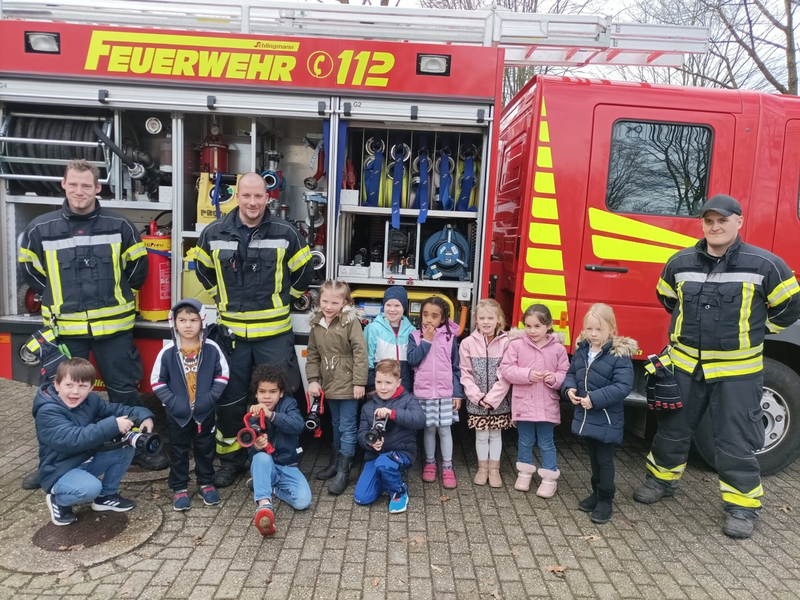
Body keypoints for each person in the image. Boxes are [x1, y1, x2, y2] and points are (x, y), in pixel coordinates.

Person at [633, 194, 800, 539]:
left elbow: (790, 307)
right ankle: (660, 481)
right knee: (672, 430)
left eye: (723, 220)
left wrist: (757, 330)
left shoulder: (765, 264)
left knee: (734, 440)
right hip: (684, 367)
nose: (715, 226)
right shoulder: (679, 262)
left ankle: (742, 506)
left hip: (737, 373)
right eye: (709, 221)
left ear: (739, 221)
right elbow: (668, 298)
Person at [18, 158, 166, 486]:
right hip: (66, 331)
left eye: (87, 185)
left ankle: (136, 447)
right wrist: (55, 294)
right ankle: (52, 465)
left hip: (114, 328)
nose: (80, 191)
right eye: (74, 184)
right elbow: (29, 271)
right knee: (59, 395)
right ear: (64, 185)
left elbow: (137, 269)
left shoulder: (120, 225)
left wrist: (119, 294)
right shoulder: (40, 228)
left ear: (98, 188)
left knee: (124, 390)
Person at [194, 172, 312, 487]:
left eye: (259, 196)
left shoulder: (286, 232)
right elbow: (202, 269)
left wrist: (287, 299)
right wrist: (220, 297)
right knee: (230, 401)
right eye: (246, 196)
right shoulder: (213, 233)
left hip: (273, 336)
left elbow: (305, 272)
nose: (253, 202)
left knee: (278, 400)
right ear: (237, 197)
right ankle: (231, 461)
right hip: (232, 338)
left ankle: (278, 457)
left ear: (268, 197)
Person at [34, 358, 155, 526]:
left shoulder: (91, 400)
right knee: (90, 488)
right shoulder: (48, 411)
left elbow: (118, 409)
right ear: (57, 385)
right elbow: (72, 440)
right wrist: (113, 425)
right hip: (59, 468)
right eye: (69, 385)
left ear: (91, 388)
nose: (75, 392)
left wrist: (144, 415)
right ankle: (58, 499)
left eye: (82, 386)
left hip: (85, 459)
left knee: (126, 448)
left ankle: (106, 497)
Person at [150, 299, 230, 511]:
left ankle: (206, 483)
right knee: (178, 450)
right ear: (174, 323)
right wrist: (174, 402)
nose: (188, 325)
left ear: (202, 321)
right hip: (178, 414)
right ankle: (179, 488)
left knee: (205, 449)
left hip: (204, 412)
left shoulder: (212, 349)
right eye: (182, 320)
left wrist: (209, 398)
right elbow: (157, 381)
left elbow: (222, 375)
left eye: (193, 320)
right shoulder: (167, 352)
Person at [564, 304, 637, 524]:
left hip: (606, 417)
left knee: (605, 459)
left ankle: (606, 498)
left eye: (598, 329)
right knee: (594, 457)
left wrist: (594, 399)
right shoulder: (582, 350)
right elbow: (570, 373)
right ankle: (596, 492)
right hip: (587, 416)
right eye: (589, 329)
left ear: (611, 329)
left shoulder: (618, 355)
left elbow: (623, 387)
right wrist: (569, 389)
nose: (593, 334)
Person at [499, 304, 569, 497]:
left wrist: (554, 379)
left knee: (546, 441)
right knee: (525, 440)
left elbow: (565, 373)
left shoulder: (557, 349)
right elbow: (506, 369)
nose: (532, 331)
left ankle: (549, 477)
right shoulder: (517, 345)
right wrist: (528, 374)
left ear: (549, 325)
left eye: (537, 326)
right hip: (525, 403)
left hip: (547, 404)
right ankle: (524, 472)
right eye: (528, 326)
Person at [306, 280, 368, 495]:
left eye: (335, 302)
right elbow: (313, 354)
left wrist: (359, 382)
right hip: (329, 382)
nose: (329, 306)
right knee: (335, 423)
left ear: (344, 302)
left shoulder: (350, 322)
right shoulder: (316, 324)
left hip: (349, 383)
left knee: (348, 426)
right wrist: (313, 379)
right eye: (325, 301)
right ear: (319, 300)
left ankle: (344, 471)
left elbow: (361, 352)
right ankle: (334, 463)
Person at [247, 364, 312, 536]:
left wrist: (270, 415)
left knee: (303, 502)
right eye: (262, 392)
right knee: (261, 458)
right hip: (265, 465)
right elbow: (249, 450)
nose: (267, 396)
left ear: (281, 393)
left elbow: (298, 426)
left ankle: (268, 488)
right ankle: (264, 505)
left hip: (287, 466)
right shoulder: (251, 412)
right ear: (256, 393)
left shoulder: (289, 404)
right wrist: (255, 446)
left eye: (272, 391)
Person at [354, 359, 426, 513]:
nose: (383, 387)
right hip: (375, 455)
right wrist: (370, 443)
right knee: (362, 497)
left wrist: (393, 414)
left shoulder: (408, 400)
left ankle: (399, 491)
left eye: (388, 382)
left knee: (384, 463)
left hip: (402, 453)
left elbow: (420, 420)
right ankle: (386, 477)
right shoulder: (368, 407)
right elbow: (361, 434)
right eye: (379, 382)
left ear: (398, 382)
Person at [407, 296, 464, 489]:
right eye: (425, 315)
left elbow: (456, 368)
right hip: (423, 393)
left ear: (443, 319)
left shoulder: (450, 338)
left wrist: (457, 393)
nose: (428, 319)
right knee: (429, 429)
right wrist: (427, 341)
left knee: (444, 430)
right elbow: (412, 361)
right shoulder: (415, 336)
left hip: (445, 393)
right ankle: (430, 463)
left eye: (434, 316)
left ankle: (447, 466)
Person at [459, 299, 514, 488]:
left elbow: (507, 373)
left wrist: (493, 398)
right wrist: (478, 397)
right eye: (481, 318)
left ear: (499, 319)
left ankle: (494, 469)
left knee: (496, 434)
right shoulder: (467, 343)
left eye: (490, 318)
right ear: (475, 320)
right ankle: (482, 469)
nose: (486, 322)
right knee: (481, 435)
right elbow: (465, 373)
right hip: (478, 400)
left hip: (499, 400)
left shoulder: (507, 342)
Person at [364, 286, 414, 391]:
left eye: (397, 305)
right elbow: (367, 359)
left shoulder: (411, 330)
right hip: (380, 388)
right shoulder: (373, 328)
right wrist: (371, 386)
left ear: (404, 307)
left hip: (404, 387)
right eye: (388, 305)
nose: (392, 309)